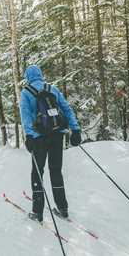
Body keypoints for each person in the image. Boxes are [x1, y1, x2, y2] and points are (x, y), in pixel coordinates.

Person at [20, 65, 82, 223]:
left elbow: (26, 116)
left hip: (39, 138)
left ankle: (37, 212)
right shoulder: (52, 88)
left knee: (37, 174)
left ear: (28, 76)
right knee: (56, 171)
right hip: (57, 136)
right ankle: (62, 208)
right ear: (41, 74)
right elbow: (67, 109)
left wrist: (29, 136)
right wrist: (75, 129)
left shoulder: (26, 92)